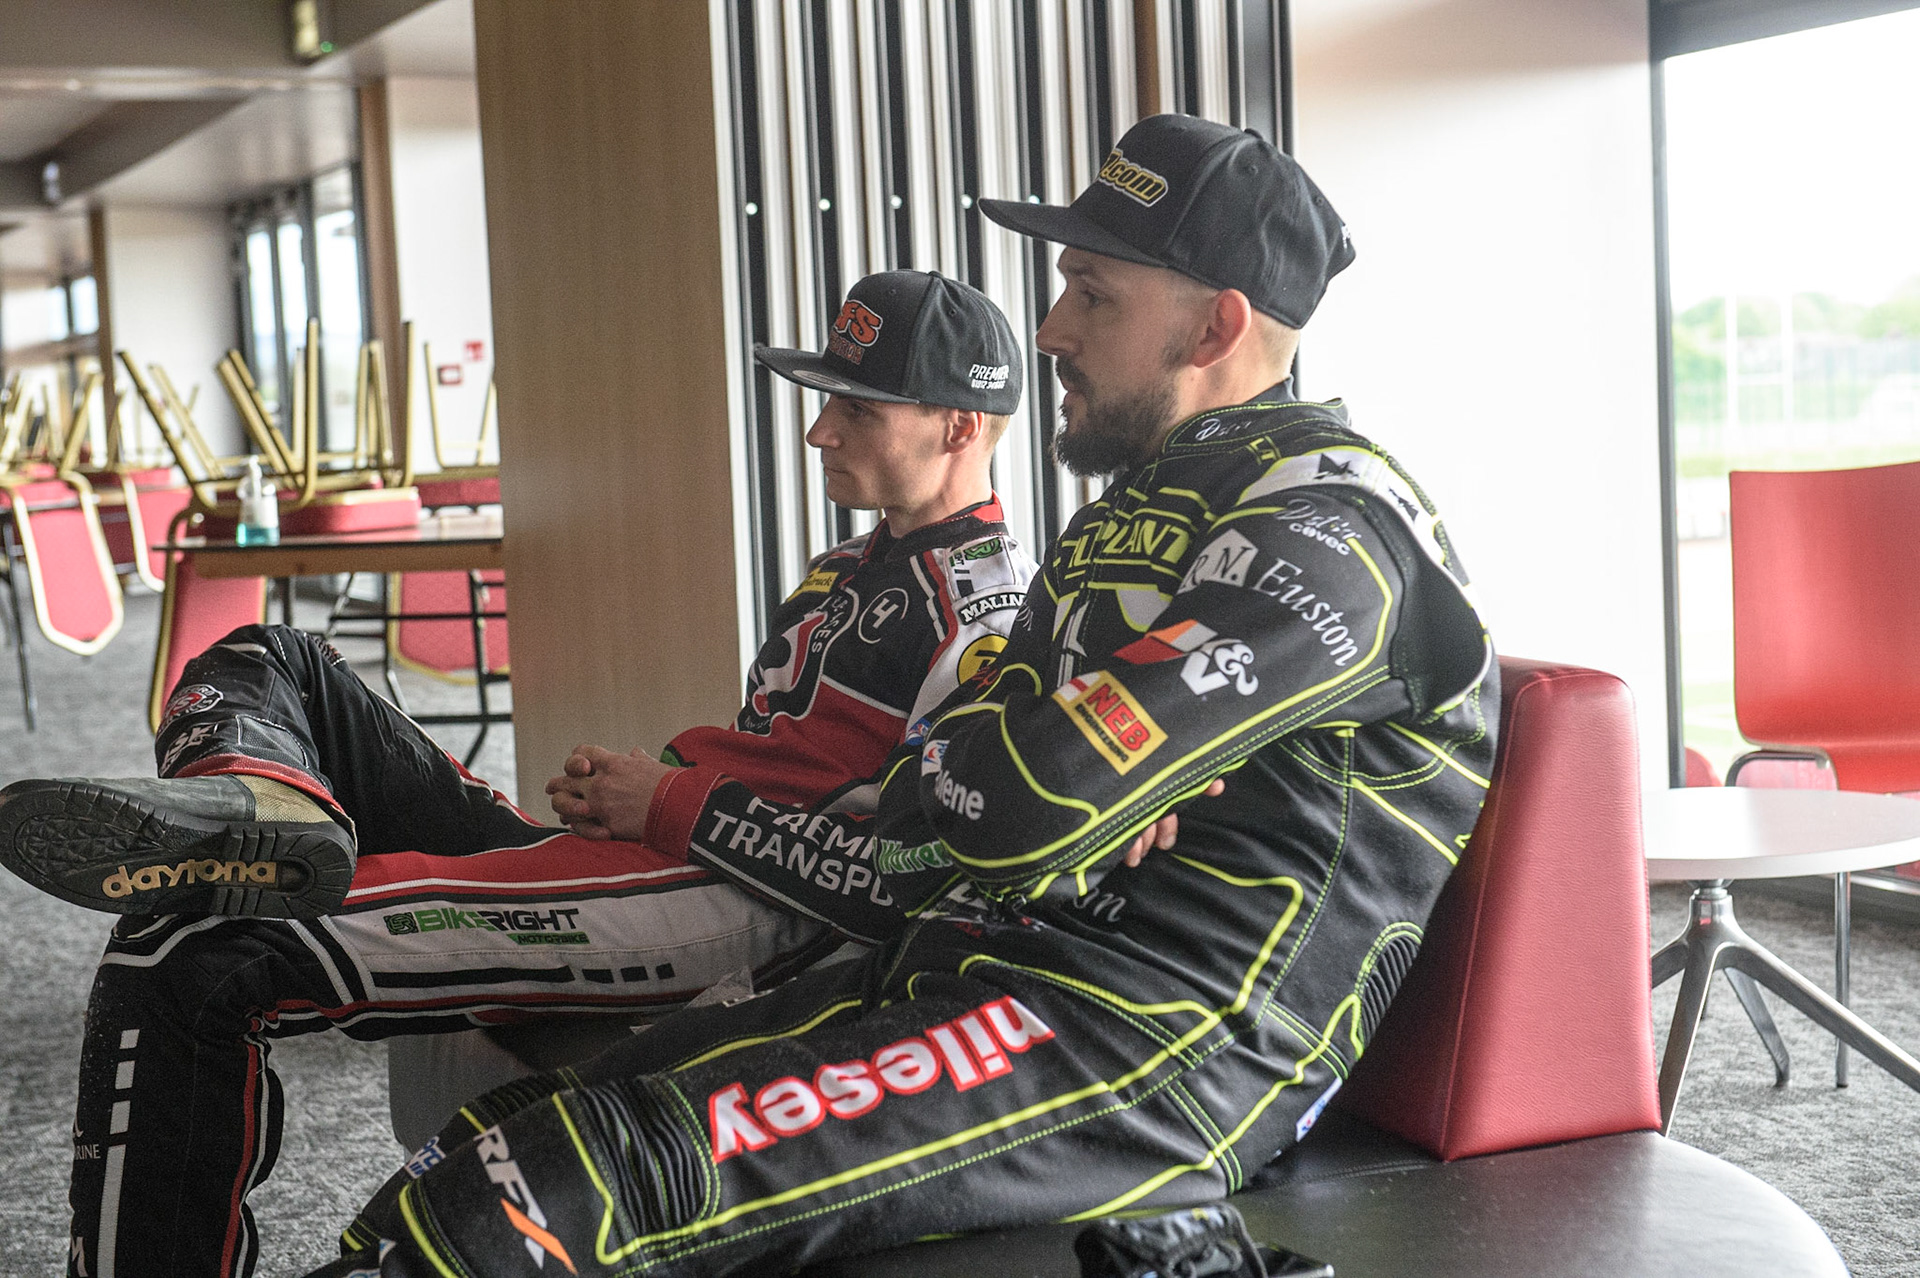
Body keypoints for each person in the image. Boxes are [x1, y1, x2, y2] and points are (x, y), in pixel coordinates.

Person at [308, 114, 1498, 1278]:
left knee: (565, 1183)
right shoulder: (1121, 524)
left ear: (1217, 326)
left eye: (1093, 294)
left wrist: (1035, 786)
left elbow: (1020, 797)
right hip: (976, 962)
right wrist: (1047, 791)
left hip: (1155, 1043)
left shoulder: (1335, 524)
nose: (1049, 328)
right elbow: (934, 816)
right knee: (490, 1143)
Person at [0, 269, 1038, 1278]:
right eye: (825, 404)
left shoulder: (988, 622)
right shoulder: (851, 567)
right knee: (276, 659)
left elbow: (904, 884)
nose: (820, 432)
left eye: (857, 410)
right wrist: (645, 796)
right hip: (655, 861)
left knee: (184, 945)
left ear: (960, 426)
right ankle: (254, 804)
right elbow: (780, 762)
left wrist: (669, 801)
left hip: (742, 912)